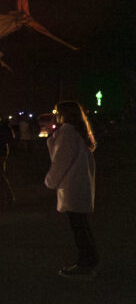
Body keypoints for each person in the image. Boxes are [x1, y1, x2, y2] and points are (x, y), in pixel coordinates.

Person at [45, 101, 98, 279]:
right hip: (79, 185)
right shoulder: (78, 132)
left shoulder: (67, 132)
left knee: (79, 227)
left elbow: (60, 160)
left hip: (72, 186)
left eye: (57, 112)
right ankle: (90, 261)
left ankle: (85, 264)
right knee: (82, 226)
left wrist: (50, 181)